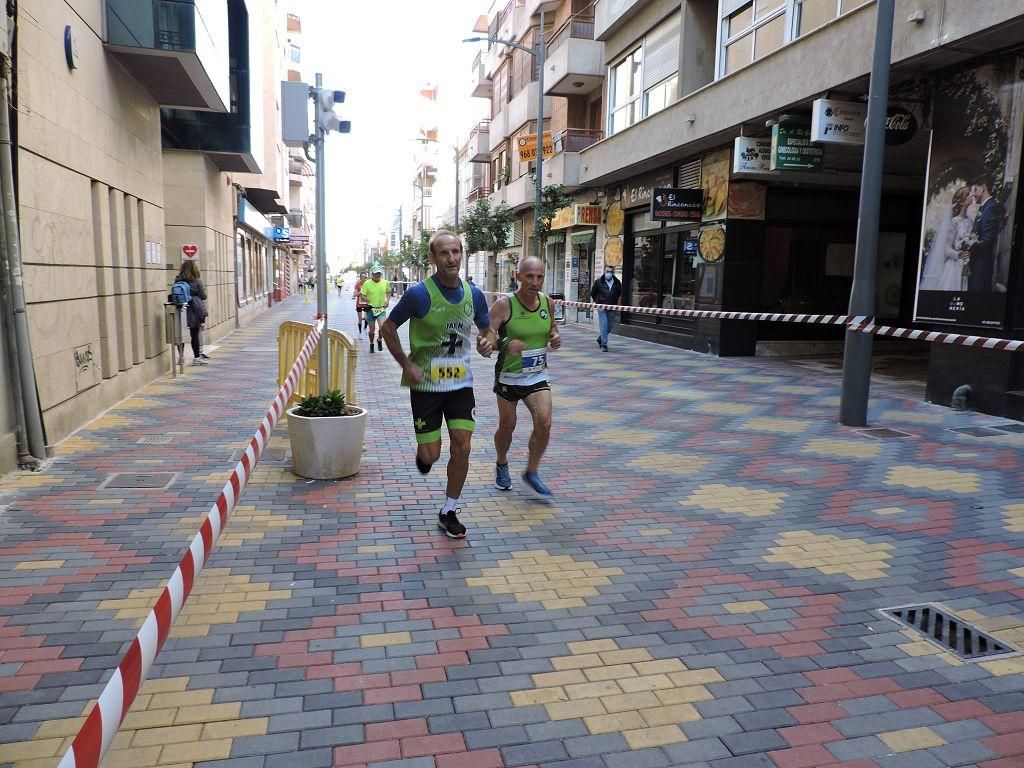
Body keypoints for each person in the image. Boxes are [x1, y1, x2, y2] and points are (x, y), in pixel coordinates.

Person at [380, 231, 494, 539]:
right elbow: (388, 328)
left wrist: (488, 343)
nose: (452, 258)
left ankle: (448, 511)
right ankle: (424, 456)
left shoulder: (474, 294)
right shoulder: (419, 294)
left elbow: (488, 329)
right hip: (427, 387)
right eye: (444, 253)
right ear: (432, 258)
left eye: (456, 252)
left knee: (463, 446)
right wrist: (406, 364)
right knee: (431, 455)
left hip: (460, 384)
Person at [487, 256, 560, 498]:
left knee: (545, 422)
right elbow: (486, 339)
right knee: (508, 425)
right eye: (530, 276)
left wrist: (555, 337)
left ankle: (531, 471)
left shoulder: (547, 303)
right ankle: (501, 463)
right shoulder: (504, 305)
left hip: (537, 376)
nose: (535, 281)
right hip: (509, 377)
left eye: (540, 277)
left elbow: (552, 329)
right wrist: (505, 344)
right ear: (518, 276)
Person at [920, 186, 974, 291]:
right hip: (954, 268)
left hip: (967, 266)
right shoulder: (954, 222)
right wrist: (959, 254)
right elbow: (947, 249)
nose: (971, 196)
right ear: (962, 201)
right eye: (968, 194)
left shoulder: (970, 221)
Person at [962, 174, 1001, 292]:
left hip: (981, 267)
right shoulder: (983, 208)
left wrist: (970, 243)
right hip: (976, 265)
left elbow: (987, 240)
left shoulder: (990, 208)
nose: (973, 194)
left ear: (983, 188)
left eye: (975, 189)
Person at [173, 261, 209, 365]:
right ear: (195, 269)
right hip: (193, 309)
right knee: (194, 334)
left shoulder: (177, 280)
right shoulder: (197, 281)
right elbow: (203, 296)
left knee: (180, 334)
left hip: (180, 308)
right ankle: (197, 358)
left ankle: (181, 357)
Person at [360, 265, 391, 354]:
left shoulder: (385, 282)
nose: (377, 275)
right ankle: (371, 344)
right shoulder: (367, 283)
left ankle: (380, 339)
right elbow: (362, 295)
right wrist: (365, 298)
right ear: (372, 274)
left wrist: (387, 301)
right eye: (376, 273)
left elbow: (389, 292)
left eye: (379, 273)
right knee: (372, 330)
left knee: (383, 327)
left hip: (381, 309)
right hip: (370, 309)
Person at [590, 264, 622, 351]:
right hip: (602, 308)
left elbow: (618, 294)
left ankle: (600, 338)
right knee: (604, 325)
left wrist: (616, 304)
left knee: (609, 326)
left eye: (611, 272)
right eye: (607, 271)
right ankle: (604, 345)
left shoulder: (617, 282)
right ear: (604, 271)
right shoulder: (598, 282)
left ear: (613, 272)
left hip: (612, 307)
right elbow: (593, 293)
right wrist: (598, 302)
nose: (609, 273)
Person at [353, 271, 370, 335]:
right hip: (359, 304)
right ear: (360, 278)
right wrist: (360, 292)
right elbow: (354, 295)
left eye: (366, 277)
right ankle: (360, 332)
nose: (365, 279)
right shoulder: (357, 285)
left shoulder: (368, 284)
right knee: (360, 319)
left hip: (366, 304)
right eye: (363, 277)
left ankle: (365, 328)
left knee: (366, 318)